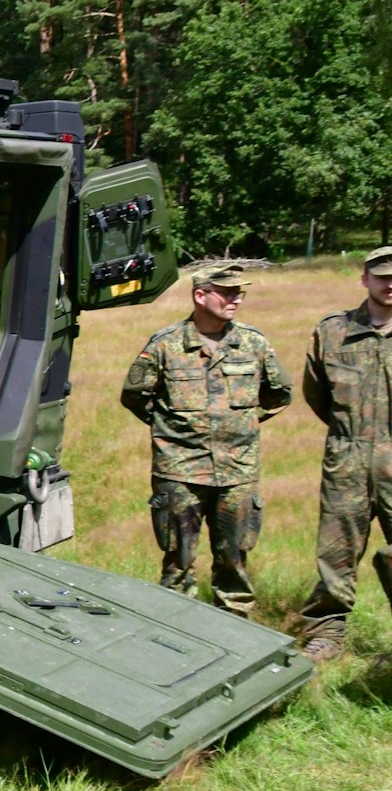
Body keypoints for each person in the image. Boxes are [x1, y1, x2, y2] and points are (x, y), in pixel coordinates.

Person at [120, 263, 292, 614]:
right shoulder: (165, 345)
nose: (236, 300)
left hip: (237, 472)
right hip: (180, 471)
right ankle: (177, 633)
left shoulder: (253, 343)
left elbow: (279, 394)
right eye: (227, 293)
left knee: (234, 559)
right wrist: (171, 429)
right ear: (200, 295)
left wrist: (242, 425)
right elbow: (135, 394)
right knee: (178, 561)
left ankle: (235, 630)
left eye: (239, 293)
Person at [296, 246, 392, 661]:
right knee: (336, 553)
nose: (390, 285)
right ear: (365, 279)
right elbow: (317, 393)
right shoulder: (333, 332)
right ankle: (328, 632)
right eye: (382, 276)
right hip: (347, 458)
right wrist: (348, 435)